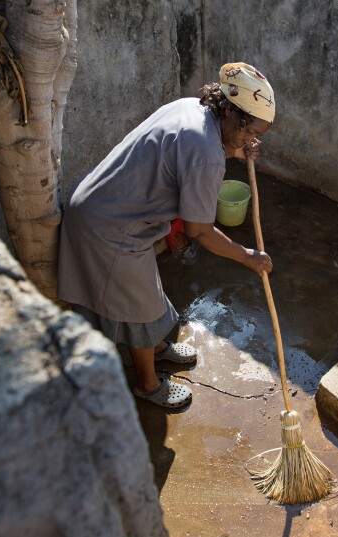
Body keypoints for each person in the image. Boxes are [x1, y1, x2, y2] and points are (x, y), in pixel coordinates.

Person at [58, 62, 275, 409]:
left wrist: (236, 149)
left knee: (144, 290)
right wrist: (247, 257)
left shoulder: (193, 108)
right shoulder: (206, 154)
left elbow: (194, 153)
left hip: (100, 203)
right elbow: (199, 230)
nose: (253, 141)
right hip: (111, 227)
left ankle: (157, 348)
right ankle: (146, 383)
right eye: (251, 132)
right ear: (233, 114)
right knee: (138, 306)